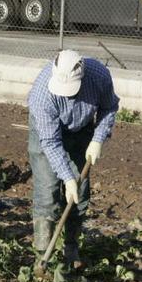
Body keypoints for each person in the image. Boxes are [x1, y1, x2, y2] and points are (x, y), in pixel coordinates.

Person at [27, 50, 120, 268]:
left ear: (82, 76)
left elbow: (109, 107)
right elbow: (50, 142)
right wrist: (66, 178)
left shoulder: (98, 76)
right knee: (47, 189)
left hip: (82, 129)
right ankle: (42, 257)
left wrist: (98, 138)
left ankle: (71, 250)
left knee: (80, 192)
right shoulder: (43, 95)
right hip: (47, 133)